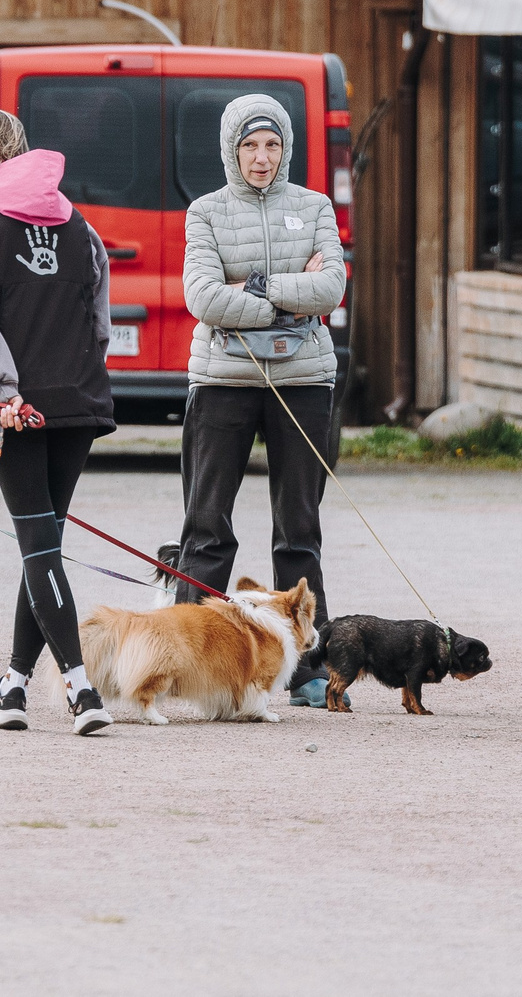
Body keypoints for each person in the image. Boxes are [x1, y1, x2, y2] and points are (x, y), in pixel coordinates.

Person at [0, 109, 117, 736]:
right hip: (79, 400)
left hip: (11, 407)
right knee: (45, 549)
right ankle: (12, 687)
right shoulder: (78, 223)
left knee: (39, 548)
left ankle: (80, 689)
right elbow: (101, 320)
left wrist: (4, 389)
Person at [172, 93, 348, 706]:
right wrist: (289, 307)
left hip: (304, 384)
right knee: (206, 527)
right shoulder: (205, 213)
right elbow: (202, 298)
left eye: (272, 144)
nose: (261, 157)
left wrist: (258, 289)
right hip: (223, 382)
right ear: (230, 149)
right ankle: (186, 656)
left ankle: (307, 668)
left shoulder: (316, 206)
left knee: (298, 530)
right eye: (249, 145)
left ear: (287, 148)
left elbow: (330, 288)